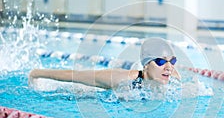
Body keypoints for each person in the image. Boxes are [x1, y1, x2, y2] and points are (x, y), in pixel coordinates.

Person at [29, 37, 181, 89]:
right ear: (146, 65)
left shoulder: (172, 78)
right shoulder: (121, 79)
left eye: (172, 61)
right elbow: (74, 75)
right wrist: (37, 73)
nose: (169, 66)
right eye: (161, 61)